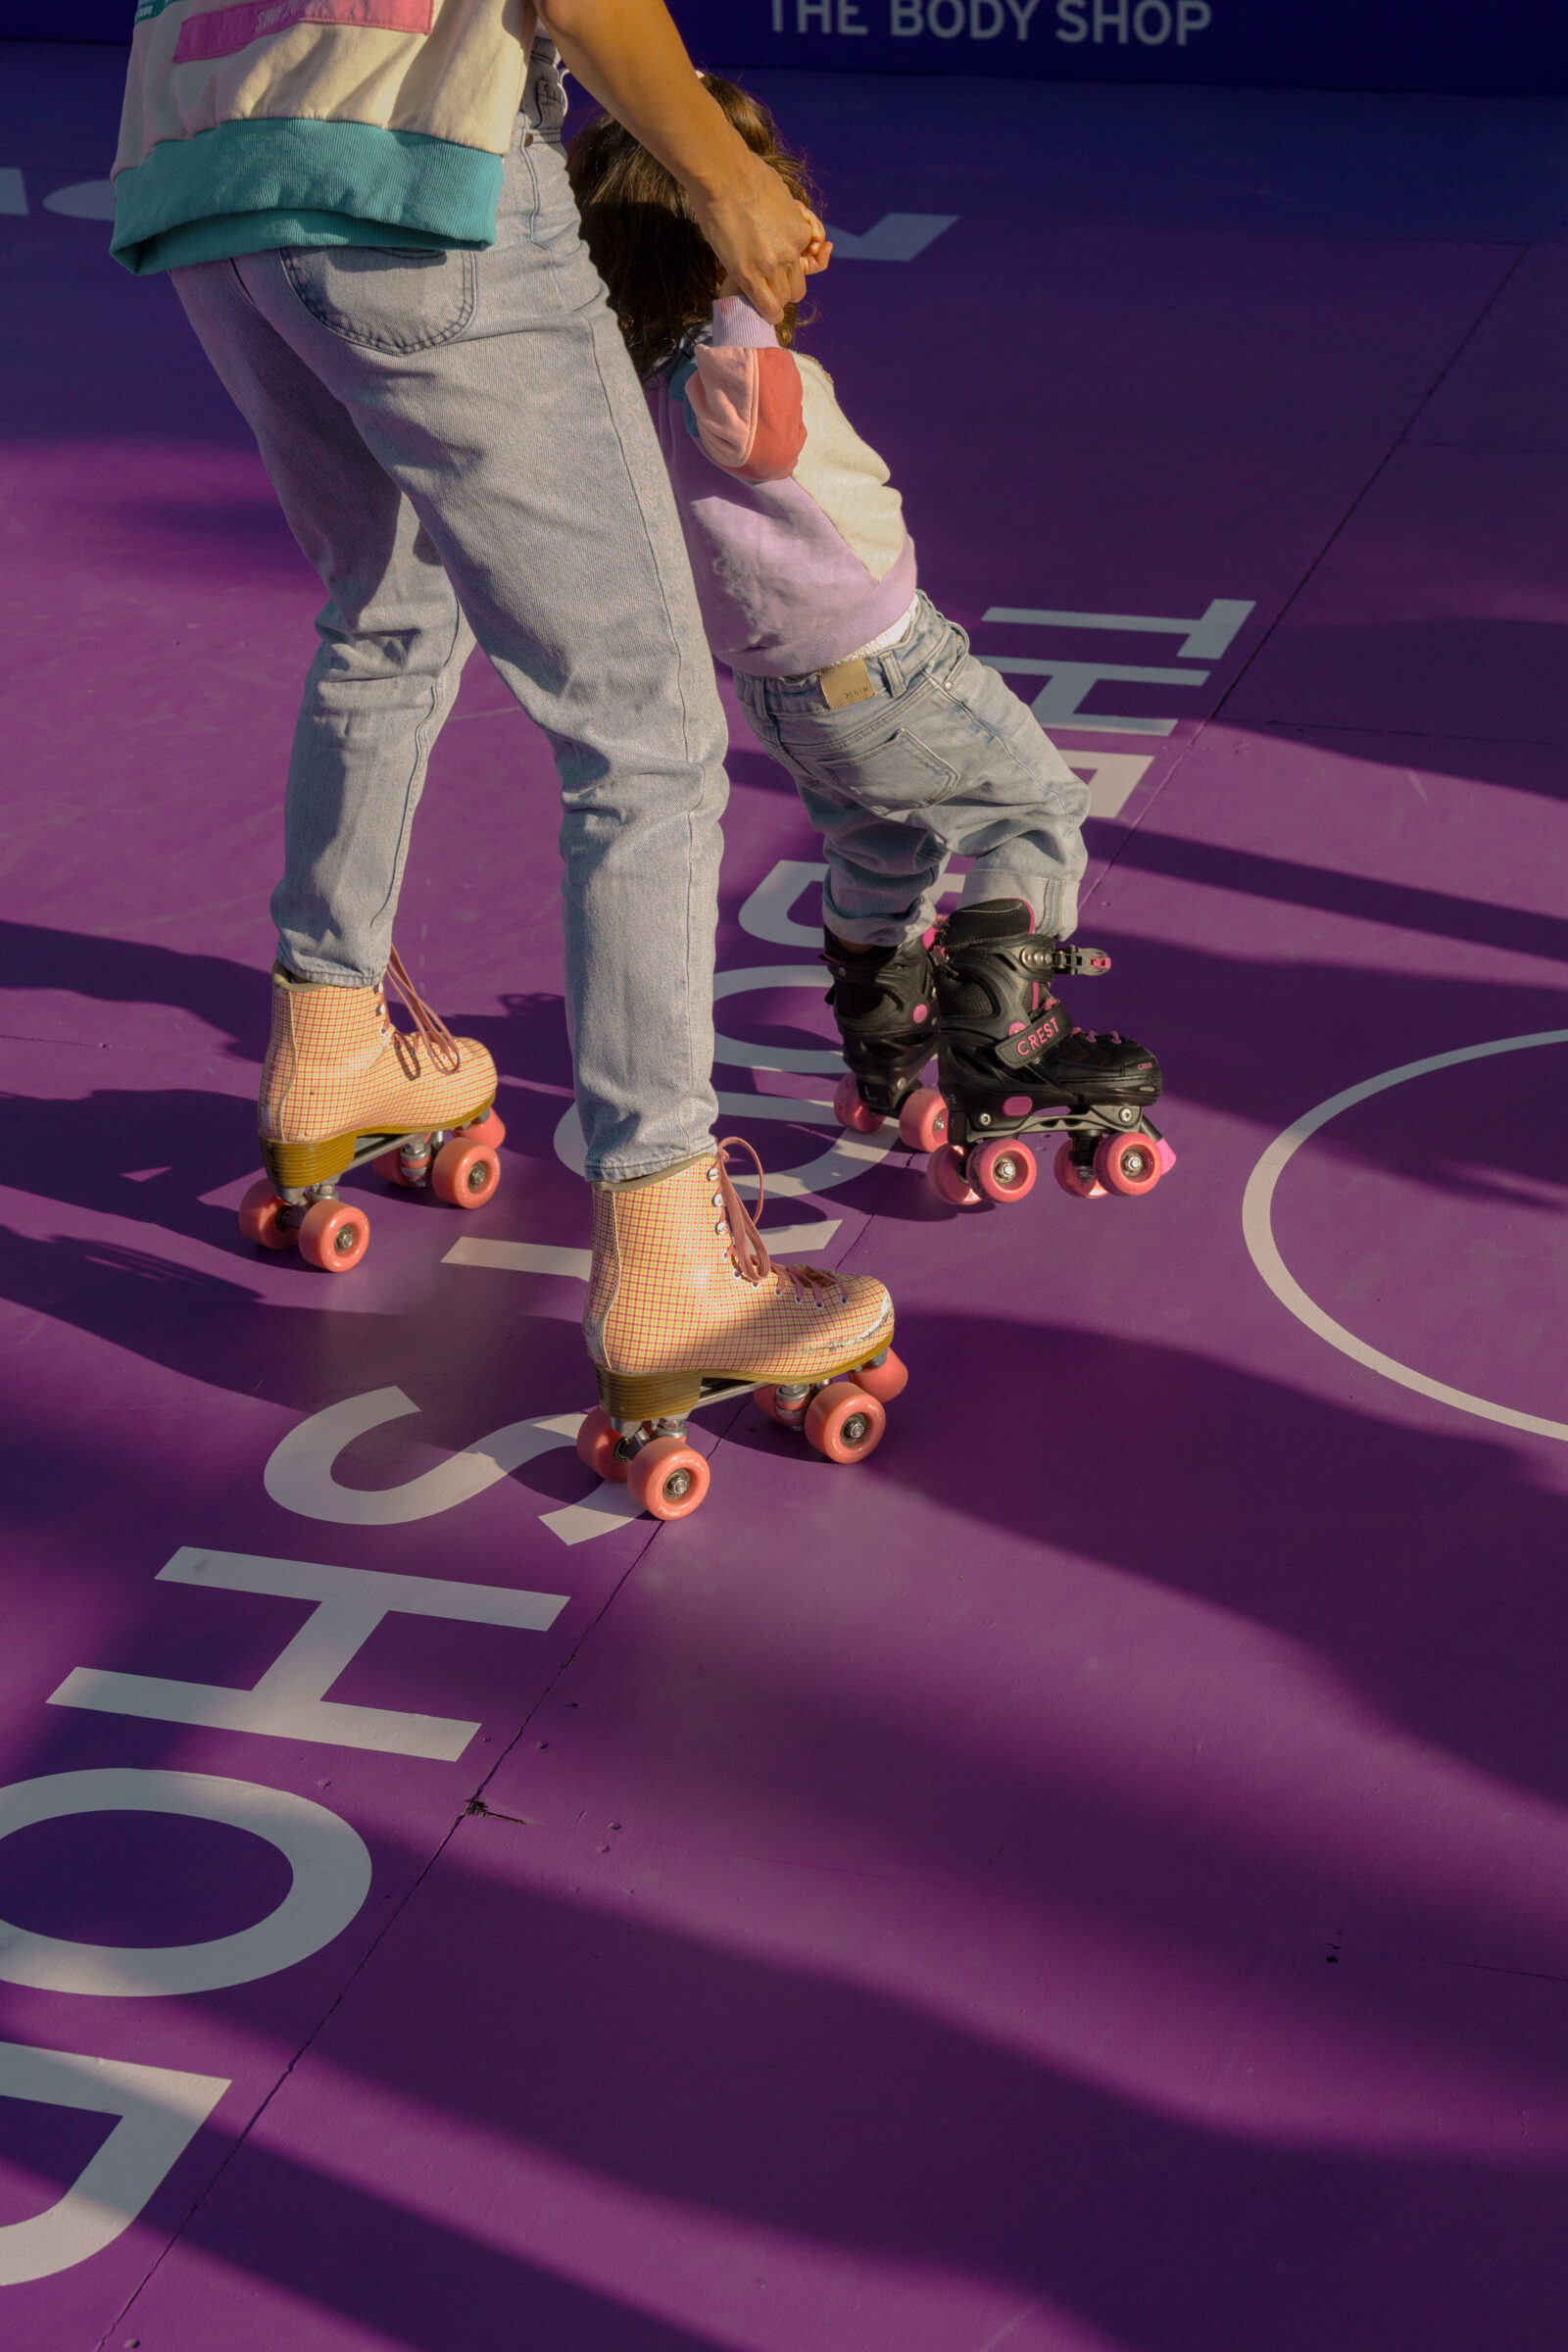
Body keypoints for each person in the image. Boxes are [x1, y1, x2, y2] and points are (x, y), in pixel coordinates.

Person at [108, 4, 895, 1431]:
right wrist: (724, 175)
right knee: (644, 738)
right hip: (416, 159)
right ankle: (672, 1256)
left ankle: (332, 1037)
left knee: (384, 610)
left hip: (213, 164)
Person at [566, 79, 1163, 1182]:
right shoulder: (727, 368)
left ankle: (886, 1052)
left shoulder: (634, 379)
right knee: (1032, 811)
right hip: (885, 670)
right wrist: (747, 283)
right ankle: (1007, 1047)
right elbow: (761, 431)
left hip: (785, 691)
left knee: (879, 850)